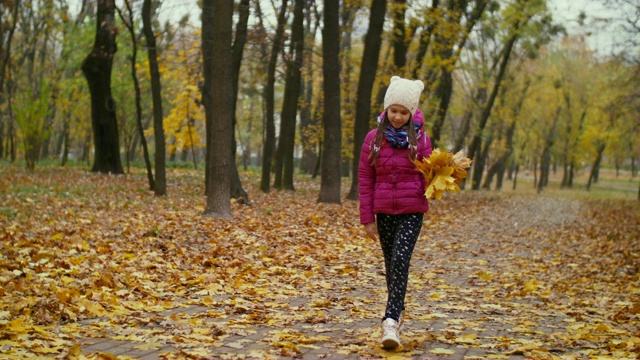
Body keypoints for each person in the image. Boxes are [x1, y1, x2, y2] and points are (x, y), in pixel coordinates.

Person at [358, 75, 432, 350]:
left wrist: (441, 177)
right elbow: (365, 178)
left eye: (404, 112)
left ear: (412, 112)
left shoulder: (422, 140)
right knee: (392, 266)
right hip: (384, 211)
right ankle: (398, 311)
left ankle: (389, 320)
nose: (398, 117)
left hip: (412, 209)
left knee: (401, 258)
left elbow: (431, 172)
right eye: (394, 111)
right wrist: (367, 218)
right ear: (386, 109)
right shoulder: (373, 139)